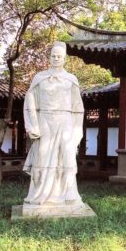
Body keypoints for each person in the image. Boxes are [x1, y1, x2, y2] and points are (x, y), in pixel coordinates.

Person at [23, 41, 84, 205]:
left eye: (59, 56)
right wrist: (32, 125)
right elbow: (30, 104)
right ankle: (39, 194)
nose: (56, 58)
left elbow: (78, 108)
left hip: (65, 122)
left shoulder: (71, 79)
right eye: (53, 56)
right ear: (49, 57)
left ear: (65, 59)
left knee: (67, 156)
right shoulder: (39, 78)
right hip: (45, 120)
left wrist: (77, 131)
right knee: (42, 155)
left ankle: (68, 195)